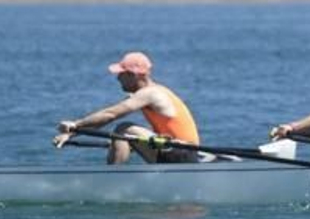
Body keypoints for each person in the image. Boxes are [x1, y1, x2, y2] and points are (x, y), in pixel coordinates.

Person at [53, 51, 202, 165]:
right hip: (180, 152)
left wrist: (75, 124)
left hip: (183, 153)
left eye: (121, 74)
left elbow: (110, 114)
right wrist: (72, 134)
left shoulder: (150, 94)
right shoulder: (147, 94)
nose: (117, 78)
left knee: (124, 129)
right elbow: (106, 118)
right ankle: (114, 174)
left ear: (133, 75)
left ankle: (112, 180)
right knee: (123, 137)